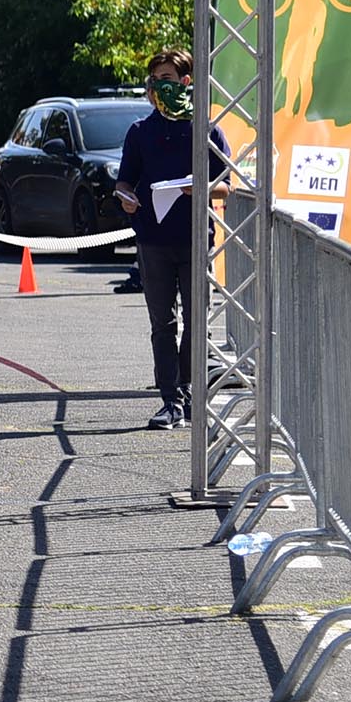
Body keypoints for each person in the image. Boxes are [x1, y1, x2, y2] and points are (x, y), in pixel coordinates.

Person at [114, 49, 231, 432]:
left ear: (185, 82)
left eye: (166, 77)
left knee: (198, 322)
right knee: (163, 323)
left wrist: (201, 189)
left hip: (196, 238)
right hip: (152, 239)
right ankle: (170, 400)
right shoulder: (139, 132)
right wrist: (126, 198)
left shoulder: (206, 129)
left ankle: (189, 388)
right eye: (153, 80)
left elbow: (226, 185)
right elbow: (125, 180)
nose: (157, 86)